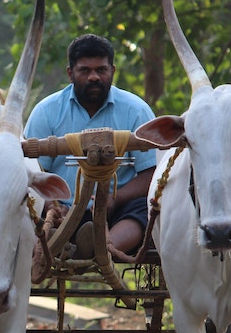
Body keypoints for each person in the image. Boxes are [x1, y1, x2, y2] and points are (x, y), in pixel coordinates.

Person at [24, 33, 155, 257]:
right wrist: (50, 206)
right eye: (85, 70)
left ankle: (102, 247)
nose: (94, 77)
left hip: (117, 211)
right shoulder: (47, 111)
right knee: (26, 207)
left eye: (101, 70)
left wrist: (116, 198)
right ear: (70, 74)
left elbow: (151, 172)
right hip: (62, 211)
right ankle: (70, 239)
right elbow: (31, 171)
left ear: (112, 71)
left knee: (147, 207)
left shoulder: (136, 111)